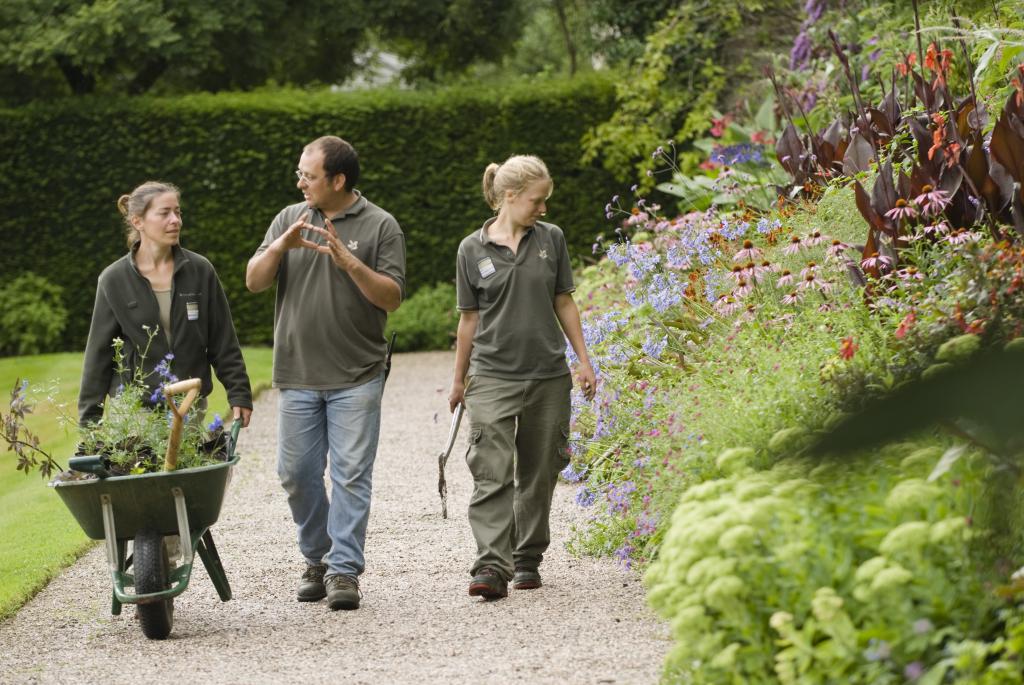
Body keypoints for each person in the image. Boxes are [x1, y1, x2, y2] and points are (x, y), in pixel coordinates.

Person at [245, 136, 405, 611]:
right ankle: (317, 556)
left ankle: (342, 571)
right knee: (295, 475)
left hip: (358, 374)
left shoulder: (381, 225)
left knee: (352, 475)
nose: (300, 182)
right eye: (300, 174)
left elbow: (392, 297)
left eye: (308, 175)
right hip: (296, 373)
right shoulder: (288, 218)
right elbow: (254, 281)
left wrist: (348, 260)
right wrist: (280, 244)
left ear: (338, 180)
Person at [449, 154, 596, 600]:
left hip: (548, 376)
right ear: (510, 197)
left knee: (540, 470)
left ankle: (527, 558)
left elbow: (564, 302)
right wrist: (459, 381)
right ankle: (491, 566)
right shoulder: (471, 250)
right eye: (537, 201)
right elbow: (468, 321)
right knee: (492, 471)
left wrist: (584, 360)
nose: (543, 209)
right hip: (492, 376)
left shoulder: (551, 239)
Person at [79, 181, 253, 432]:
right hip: (134, 410)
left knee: (186, 470)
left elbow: (222, 339)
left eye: (178, 212)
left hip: (189, 404)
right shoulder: (114, 279)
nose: (176, 220)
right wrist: (89, 423)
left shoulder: (200, 270)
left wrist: (239, 393)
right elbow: (99, 353)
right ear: (138, 221)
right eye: (164, 213)